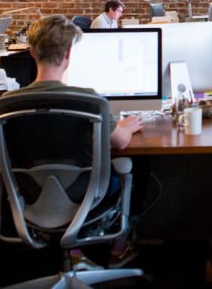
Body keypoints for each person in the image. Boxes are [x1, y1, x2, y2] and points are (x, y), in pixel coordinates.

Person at [8, 14, 142, 268]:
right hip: (86, 194)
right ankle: (118, 246)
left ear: (32, 52)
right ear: (69, 52)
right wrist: (125, 125)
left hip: (29, 194)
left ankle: (75, 252)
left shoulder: (8, 102)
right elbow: (120, 142)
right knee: (134, 168)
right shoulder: (88, 101)